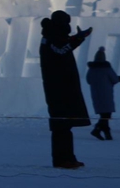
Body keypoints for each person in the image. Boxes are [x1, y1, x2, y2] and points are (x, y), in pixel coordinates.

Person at [39, 10, 92, 169]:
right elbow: (62, 50)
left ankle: (68, 157)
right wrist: (78, 39)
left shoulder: (52, 36)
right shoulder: (50, 37)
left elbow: (63, 45)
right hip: (57, 88)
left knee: (65, 125)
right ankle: (61, 160)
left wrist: (77, 38)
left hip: (62, 87)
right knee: (61, 126)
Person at [85, 46, 120, 141]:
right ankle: (97, 130)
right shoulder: (107, 68)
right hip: (107, 94)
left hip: (96, 94)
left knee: (104, 115)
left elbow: (88, 80)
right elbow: (115, 79)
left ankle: (107, 134)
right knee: (106, 115)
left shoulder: (91, 69)